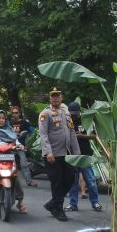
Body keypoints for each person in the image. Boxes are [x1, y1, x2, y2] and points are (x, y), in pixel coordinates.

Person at [38, 88, 80, 222]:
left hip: (66, 154)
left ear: (61, 98)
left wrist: (77, 154)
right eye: (53, 97)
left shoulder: (66, 113)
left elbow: (72, 133)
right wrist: (48, 152)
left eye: (57, 96)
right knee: (57, 183)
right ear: (50, 99)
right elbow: (43, 134)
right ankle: (59, 210)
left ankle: (52, 203)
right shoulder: (45, 114)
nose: (55, 99)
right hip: (52, 155)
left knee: (70, 179)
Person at [64, 102, 102, 212]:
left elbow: (95, 136)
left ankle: (95, 203)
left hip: (85, 156)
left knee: (91, 181)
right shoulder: (67, 122)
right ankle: (73, 204)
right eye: (71, 113)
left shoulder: (86, 121)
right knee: (73, 182)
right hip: (72, 156)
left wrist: (81, 136)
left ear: (79, 111)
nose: (73, 115)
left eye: (75, 113)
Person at [10, 105, 37, 187]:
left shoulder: (24, 122)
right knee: (9, 165)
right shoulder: (8, 123)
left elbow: (33, 132)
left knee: (24, 164)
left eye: (16, 113)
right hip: (10, 146)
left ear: (19, 113)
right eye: (13, 113)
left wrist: (29, 144)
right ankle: (9, 181)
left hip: (20, 147)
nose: (14, 114)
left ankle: (29, 182)